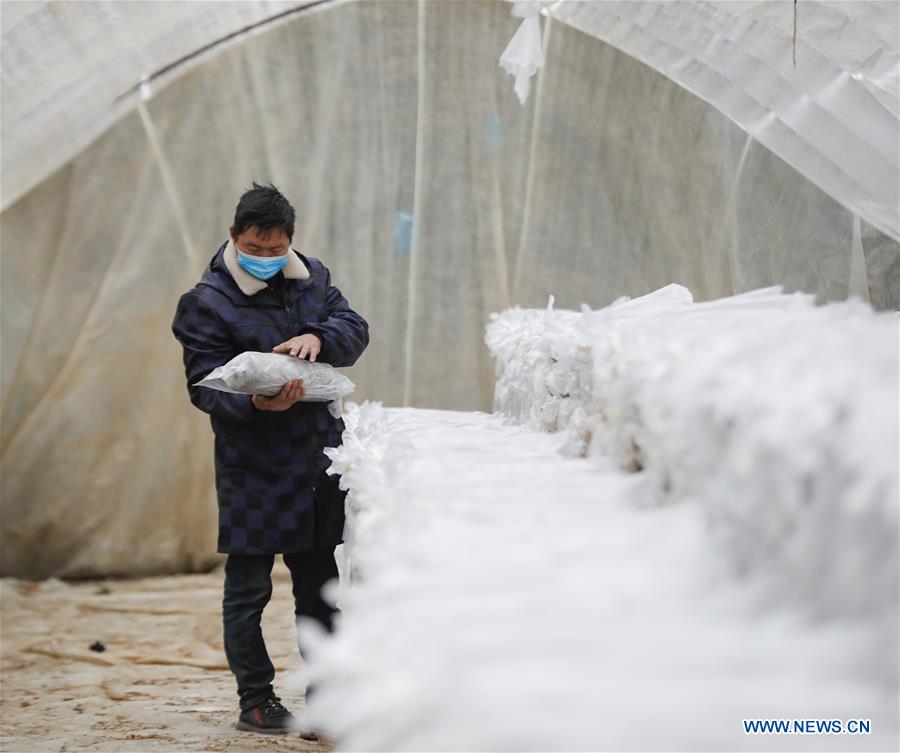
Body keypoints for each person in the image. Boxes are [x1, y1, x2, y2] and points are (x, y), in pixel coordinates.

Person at [171, 182, 369, 737]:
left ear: (290, 241)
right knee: (249, 587)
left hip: (313, 459)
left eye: (274, 249)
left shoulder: (314, 278)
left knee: (319, 584)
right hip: (252, 463)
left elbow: (354, 329)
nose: (264, 259)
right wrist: (256, 402)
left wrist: (318, 336)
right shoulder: (205, 302)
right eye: (254, 249)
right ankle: (256, 699)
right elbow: (203, 385)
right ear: (234, 237)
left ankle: (326, 700)